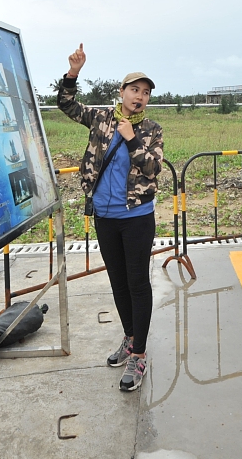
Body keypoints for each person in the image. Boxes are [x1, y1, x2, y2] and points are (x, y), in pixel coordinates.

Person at [58, 44, 164, 392]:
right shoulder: (102, 118)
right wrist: (73, 73)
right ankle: (130, 338)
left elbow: (153, 167)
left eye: (146, 92)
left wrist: (132, 140)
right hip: (104, 215)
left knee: (137, 283)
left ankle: (141, 354)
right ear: (122, 92)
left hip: (136, 217)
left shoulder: (150, 129)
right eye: (135, 90)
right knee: (117, 281)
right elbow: (67, 105)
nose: (141, 97)